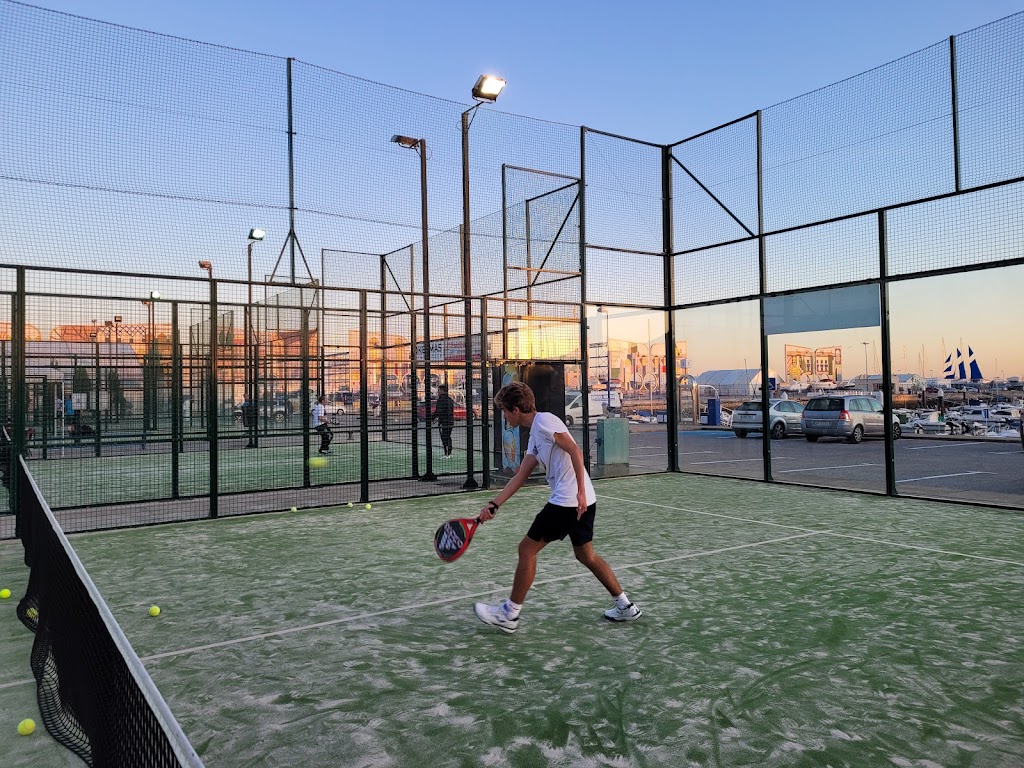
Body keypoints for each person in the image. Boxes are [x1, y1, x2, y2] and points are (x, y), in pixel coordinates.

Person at [473, 381, 641, 634]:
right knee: (586, 556)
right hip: (582, 502)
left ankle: (510, 614)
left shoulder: (545, 422)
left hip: (568, 502)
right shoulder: (535, 435)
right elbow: (521, 475)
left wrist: (580, 492)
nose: (504, 416)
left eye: (505, 411)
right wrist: (494, 504)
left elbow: (575, 450)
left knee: (526, 550)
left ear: (516, 409)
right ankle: (625, 606)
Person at [431, 384, 456, 458]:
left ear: (442, 391)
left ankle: (447, 453)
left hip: (444, 422)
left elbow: (438, 411)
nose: (437, 392)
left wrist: (432, 418)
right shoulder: (450, 399)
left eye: (438, 390)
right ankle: (449, 453)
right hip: (450, 421)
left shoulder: (441, 400)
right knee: (448, 436)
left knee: (444, 437)